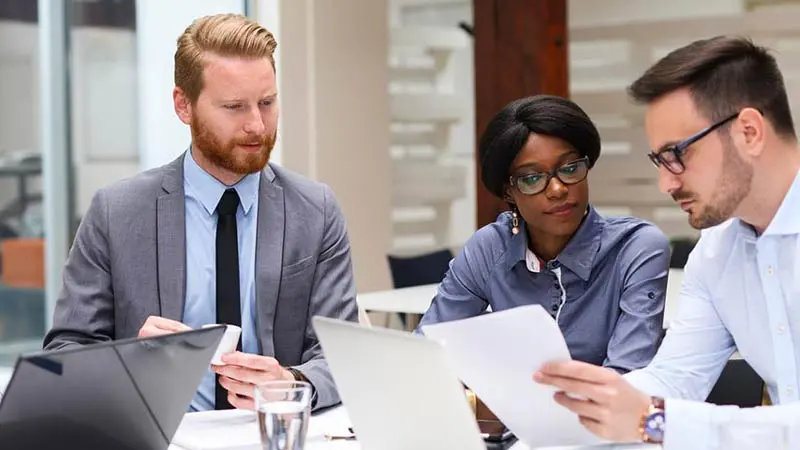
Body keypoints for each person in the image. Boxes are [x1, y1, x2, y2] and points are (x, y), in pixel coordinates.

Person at [43, 14, 357, 412]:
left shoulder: (316, 210)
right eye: (234, 107)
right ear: (183, 105)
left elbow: (343, 356)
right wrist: (131, 363)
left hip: (271, 434)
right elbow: (63, 355)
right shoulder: (116, 212)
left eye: (267, 102)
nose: (257, 125)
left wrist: (292, 382)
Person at [534, 36, 800, 448]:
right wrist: (585, 404)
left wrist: (653, 421)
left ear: (749, 131)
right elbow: (674, 378)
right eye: (660, 161)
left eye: (677, 154)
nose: (666, 183)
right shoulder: (715, 253)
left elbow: (657, 415)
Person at [417, 95, 671, 373]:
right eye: (531, 178)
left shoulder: (635, 248)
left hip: (609, 415)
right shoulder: (490, 248)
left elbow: (628, 375)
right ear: (508, 192)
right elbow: (427, 351)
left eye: (570, 168)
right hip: (509, 415)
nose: (558, 189)